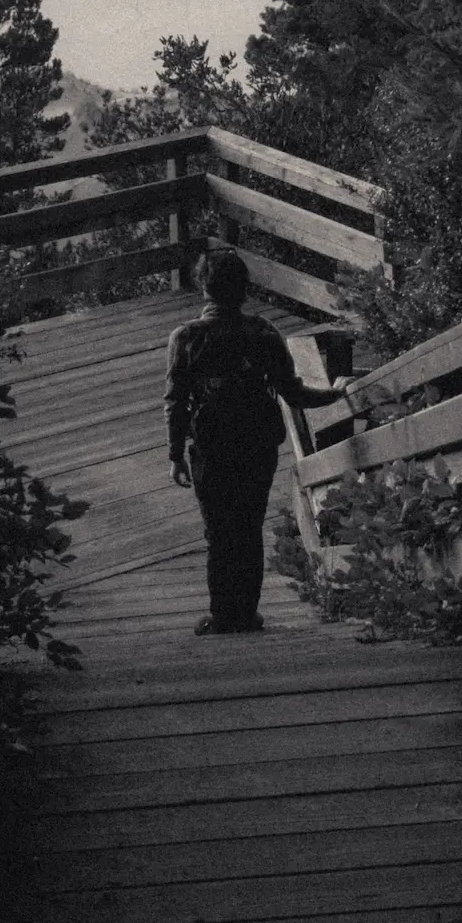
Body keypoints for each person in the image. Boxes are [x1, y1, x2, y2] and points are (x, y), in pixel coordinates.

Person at [165, 248, 347, 635]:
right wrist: (334, 393)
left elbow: (176, 402)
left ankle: (222, 616)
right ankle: (247, 613)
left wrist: (175, 455)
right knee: (248, 527)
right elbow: (293, 394)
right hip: (257, 444)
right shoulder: (264, 334)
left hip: (210, 446)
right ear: (244, 289)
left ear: (203, 288)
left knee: (218, 530)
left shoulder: (186, 338)